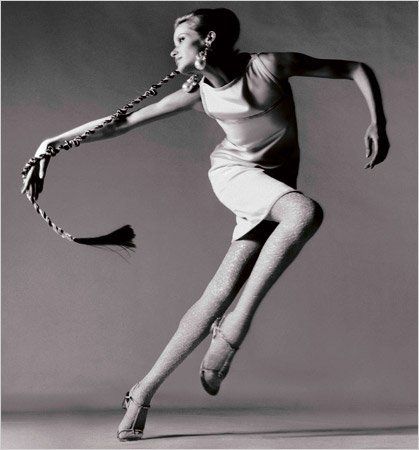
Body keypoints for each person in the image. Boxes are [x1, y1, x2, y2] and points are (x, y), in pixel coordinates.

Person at [21, 8, 389, 442]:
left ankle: (141, 392)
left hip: (275, 185)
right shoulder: (199, 94)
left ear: (208, 39)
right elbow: (122, 122)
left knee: (218, 292)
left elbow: (354, 68)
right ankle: (234, 329)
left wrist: (377, 122)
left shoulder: (270, 66)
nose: (172, 49)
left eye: (181, 39)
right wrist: (50, 144)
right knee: (304, 213)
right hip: (237, 175)